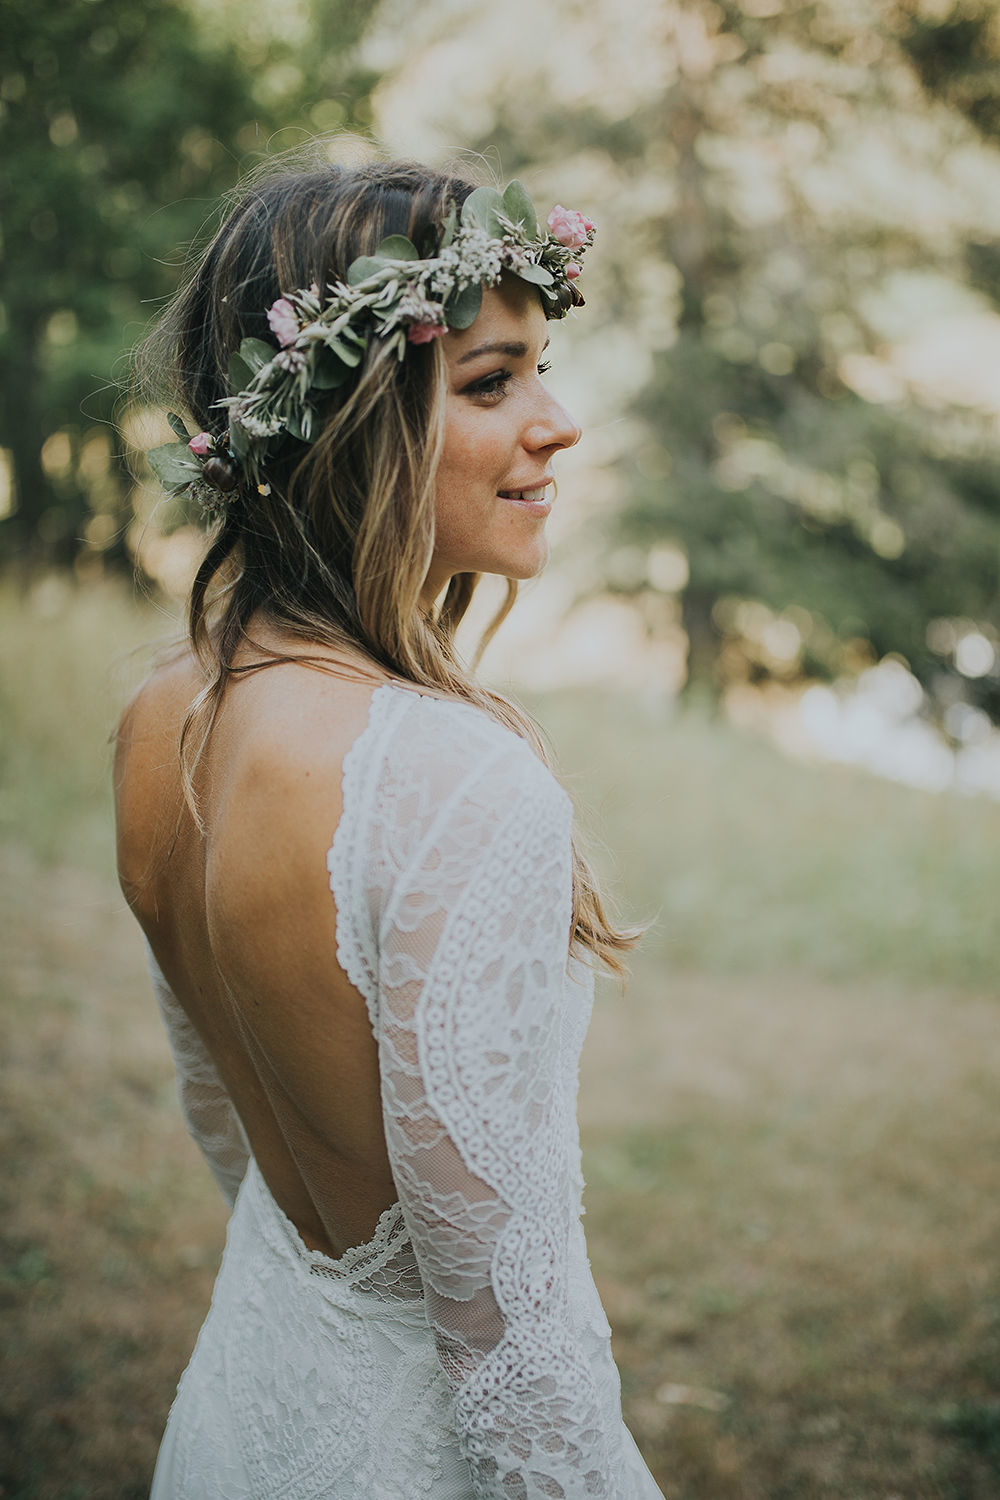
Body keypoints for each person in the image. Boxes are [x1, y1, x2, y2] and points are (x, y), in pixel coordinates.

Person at [114, 154, 664, 1499]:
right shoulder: (453, 779)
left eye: (541, 367)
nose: (559, 422)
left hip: (252, 1396)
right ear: (346, 421)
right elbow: (509, 1336)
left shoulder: (163, 715)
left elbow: (227, 1122)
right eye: (489, 382)